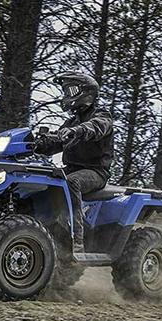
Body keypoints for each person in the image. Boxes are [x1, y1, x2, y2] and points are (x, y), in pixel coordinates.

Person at [35, 72, 114, 253]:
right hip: (71, 168)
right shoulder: (71, 122)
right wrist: (40, 144)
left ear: (87, 92)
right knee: (43, 178)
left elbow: (96, 127)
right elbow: (58, 141)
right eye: (65, 92)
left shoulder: (102, 115)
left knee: (72, 182)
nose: (67, 96)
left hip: (95, 172)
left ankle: (76, 239)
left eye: (71, 90)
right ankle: (46, 226)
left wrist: (77, 131)